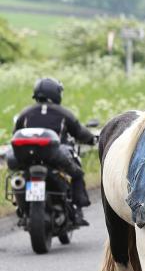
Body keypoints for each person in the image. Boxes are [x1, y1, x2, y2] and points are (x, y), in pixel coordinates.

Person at [12, 77, 97, 226]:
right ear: (56, 93)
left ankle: (19, 204)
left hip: (27, 158)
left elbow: (16, 133)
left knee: (16, 175)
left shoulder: (25, 113)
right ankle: (78, 206)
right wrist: (92, 140)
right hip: (55, 157)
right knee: (77, 173)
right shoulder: (63, 113)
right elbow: (79, 132)